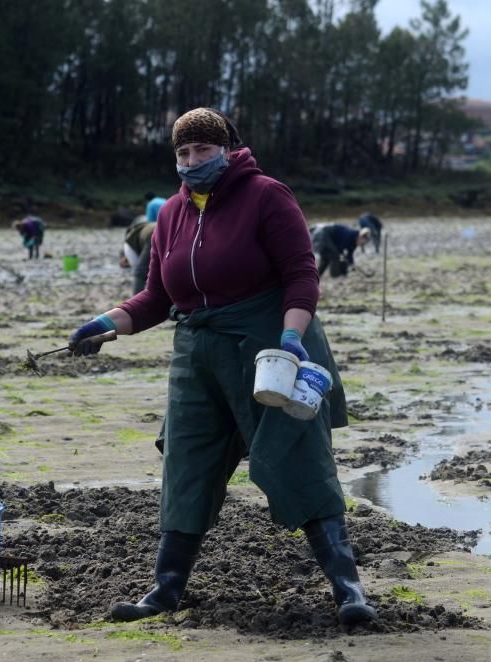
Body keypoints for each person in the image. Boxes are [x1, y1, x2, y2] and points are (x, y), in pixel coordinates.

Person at [66, 107, 375, 626]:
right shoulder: (170, 215)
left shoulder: (266, 196)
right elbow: (157, 297)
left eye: (202, 150)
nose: (191, 161)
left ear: (228, 148)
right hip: (197, 354)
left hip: (271, 347)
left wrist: (292, 337)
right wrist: (103, 323)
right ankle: (164, 591)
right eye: (182, 153)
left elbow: (302, 276)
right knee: (186, 462)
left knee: (297, 456)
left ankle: (348, 590)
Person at [122, 217, 156, 294]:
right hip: (131, 243)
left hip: (146, 232)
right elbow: (140, 272)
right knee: (141, 272)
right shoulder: (154, 237)